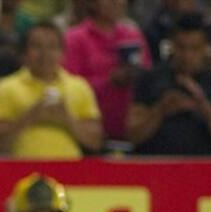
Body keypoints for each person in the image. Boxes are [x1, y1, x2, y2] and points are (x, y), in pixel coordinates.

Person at [126, 12, 211, 155]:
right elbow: (132, 136)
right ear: (171, 45)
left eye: (194, 48)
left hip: (205, 169)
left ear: (206, 48)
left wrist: (203, 106)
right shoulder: (149, 79)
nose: (187, 56)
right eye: (181, 47)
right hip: (156, 166)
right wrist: (161, 109)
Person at [0, 20, 102, 158]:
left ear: (63, 53)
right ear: (24, 53)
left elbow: (95, 142)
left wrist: (67, 120)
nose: (45, 54)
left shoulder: (80, 86)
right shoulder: (6, 87)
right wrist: (30, 116)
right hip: (20, 171)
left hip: (71, 171)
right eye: (36, 46)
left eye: (52, 47)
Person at [63, 0, 152, 142]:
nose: (116, 2)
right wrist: (109, 82)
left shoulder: (134, 36)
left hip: (132, 132)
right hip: (88, 134)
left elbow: (149, 79)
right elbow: (67, 86)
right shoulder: (74, 39)